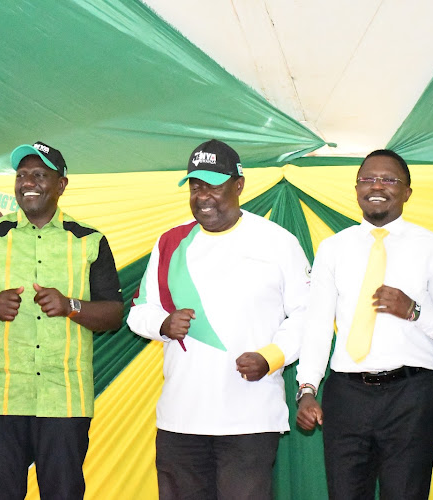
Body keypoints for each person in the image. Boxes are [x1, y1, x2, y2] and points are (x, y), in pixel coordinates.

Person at [127, 139, 311, 500]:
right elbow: (138, 311)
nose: (203, 196)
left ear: (238, 185)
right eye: (196, 186)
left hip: (251, 417)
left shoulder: (277, 242)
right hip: (181, 418)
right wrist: (162, 325)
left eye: (214, 185)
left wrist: (272, 357)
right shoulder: (170, 242)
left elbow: (309, 314)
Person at [295, 149, 433, 499]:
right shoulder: (333, 248)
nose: (377, 186)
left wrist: (415, 311)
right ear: (357, 187)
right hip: (346, 396)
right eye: (367, 179)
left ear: (407, 191)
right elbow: (316, 325)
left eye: (389, 179)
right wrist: (307, 390)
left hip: (410, 397)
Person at [0, 141, 123, 500]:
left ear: (61, 185)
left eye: (40, 175)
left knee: (63, 493)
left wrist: (72, 305)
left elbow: (113, 314)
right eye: (22, 175)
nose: (28, 182)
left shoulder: (89, 240)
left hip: (65, 397)